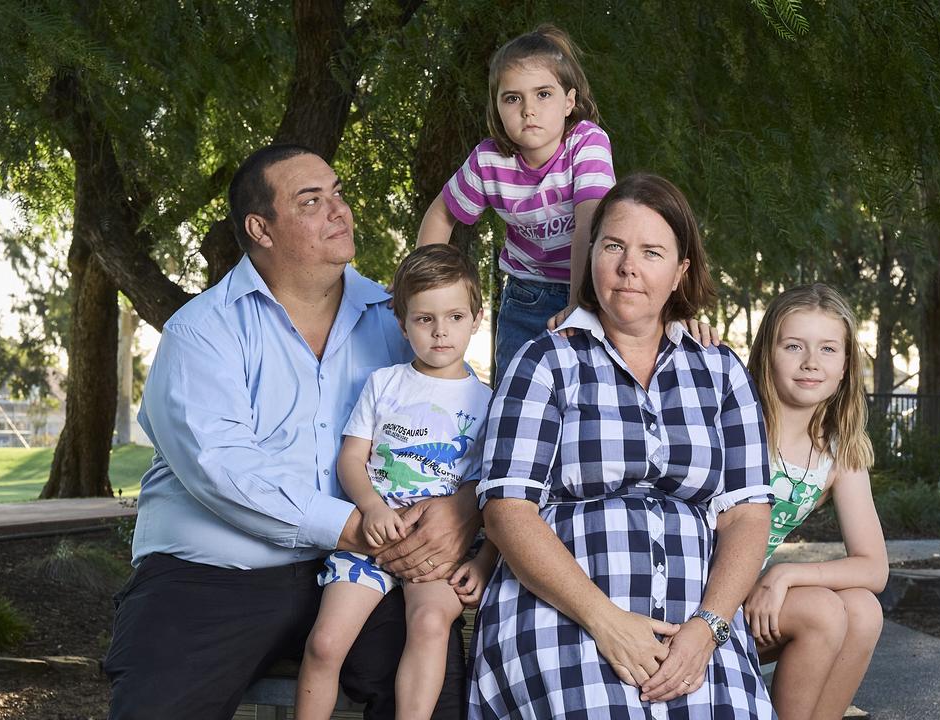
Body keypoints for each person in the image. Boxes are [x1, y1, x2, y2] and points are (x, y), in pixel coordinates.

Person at [103, 144, 480, 720]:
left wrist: (464, 509)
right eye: (312, 201)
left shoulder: (398, 319)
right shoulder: (202, 332)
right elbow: (221, 470)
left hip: (366, 568)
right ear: (261, 228)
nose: (340, 211)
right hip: (213, 574)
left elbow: (463, 428)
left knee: (439, 694)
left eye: (338, 193)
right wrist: (357, 528)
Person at [469, 173, 776, 719]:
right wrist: (606, 622)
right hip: (564, 614)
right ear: (590, 257)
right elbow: (506, 510)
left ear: (681, 271)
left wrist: (707, 631)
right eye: (613, 246)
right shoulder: (546, 361)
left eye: (652, 252)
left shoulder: (721, 370)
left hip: (694, 624)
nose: (628, 266)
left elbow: (747, 516)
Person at [296, 244, 498, 720]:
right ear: (401, 321)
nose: (440, 331)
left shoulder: (491, 401)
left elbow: (498, 492)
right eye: (424, 319)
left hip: (438, 552)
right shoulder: (384, 384)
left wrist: (487, 558)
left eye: (454, 316)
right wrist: (370, 506)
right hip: (372, 537)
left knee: (429, 623)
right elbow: (351, 458)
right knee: (325, 644)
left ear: (476, 317)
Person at [416, 25, 615, 373]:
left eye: (543, 94)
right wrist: (420, 285)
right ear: (496, 106)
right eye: (512, 98)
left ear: (569, 101)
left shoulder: (587, 143)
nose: (528, 110)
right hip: (525, 293)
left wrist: (580, 303)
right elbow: (441, 216)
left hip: (587, 287)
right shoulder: (488, 161)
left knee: (584, 394)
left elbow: (590, 222)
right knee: (515, 392)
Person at [743, 284, 888, 720]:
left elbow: (874, 567)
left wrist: (786, 572)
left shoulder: (837, 452)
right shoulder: (736, 418)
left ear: (846, 366)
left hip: (751, 599)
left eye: (828, 349)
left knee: (863, 610)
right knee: (824, 612)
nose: (811, 363)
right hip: (694, 595)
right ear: (768, 352)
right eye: (794, 346)